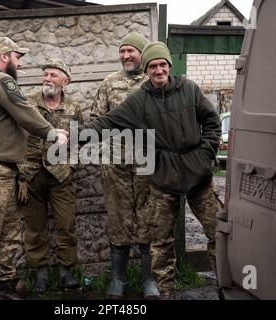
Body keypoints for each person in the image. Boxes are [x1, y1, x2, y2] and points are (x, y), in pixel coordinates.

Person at [78, 42, 223, 299]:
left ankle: (225, 286)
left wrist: (206, 154)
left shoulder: (189, 89)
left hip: (198, 174)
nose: (158, 70)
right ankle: (165, 292)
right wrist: (73, 135)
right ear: (146, 70)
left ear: (169, 66)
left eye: (162, 65)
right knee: (161, 242)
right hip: (164, 176)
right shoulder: (139, 101)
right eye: (153, 66)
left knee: (219, 232)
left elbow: (211, 121)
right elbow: (106, 122)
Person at [0, 37, 68, 300]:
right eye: (18, 57)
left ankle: (4, 287)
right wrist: (52, 134)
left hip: (4, 171)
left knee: (8, 235)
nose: (20, 63)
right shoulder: (0, 80)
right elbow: (24, 111)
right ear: (4, 56)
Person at [91, 32, 159, 299]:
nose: (125, 56)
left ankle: (149, 280)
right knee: (118, 219)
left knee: (148, 219)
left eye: (131, 51)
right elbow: (96, 118)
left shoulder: (153, 80)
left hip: (147, 163)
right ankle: (117, 280)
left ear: (142, 53)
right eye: (122, 51)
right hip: (115, 164)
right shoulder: (110, 83)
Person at [19, 58, 83, 294]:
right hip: (32, 175)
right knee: (35, 228)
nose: (47, 78)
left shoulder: (74, 107)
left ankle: (66, 273)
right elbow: (16, 135)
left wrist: (71, 168)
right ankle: (41, 274)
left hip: (60, 176)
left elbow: (78, 142)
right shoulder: (27, 103)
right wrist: (20, 169)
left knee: (66, 225)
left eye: (53, 75)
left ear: (65, 81)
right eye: (45, 74)